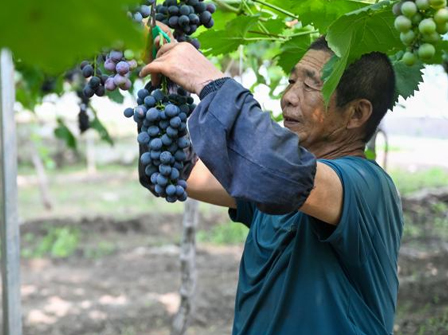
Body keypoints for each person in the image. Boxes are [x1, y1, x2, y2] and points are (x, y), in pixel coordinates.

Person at [140, 34, 403, 335]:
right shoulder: (271, 183)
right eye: (292, 81)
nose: (289, 96)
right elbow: (174, 170)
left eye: (310, 85)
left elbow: (282, 172)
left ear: (356, 113)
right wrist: (165, 86)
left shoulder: (366, 186)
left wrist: (210, 81)